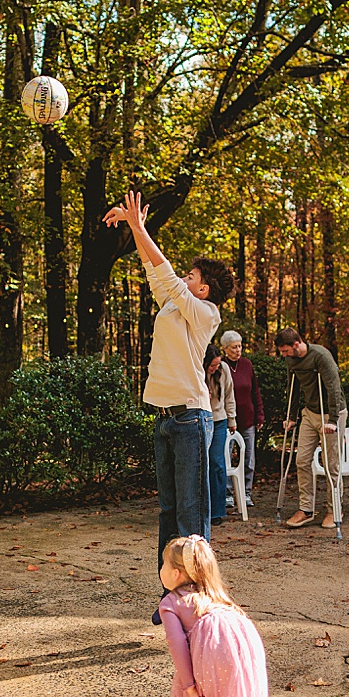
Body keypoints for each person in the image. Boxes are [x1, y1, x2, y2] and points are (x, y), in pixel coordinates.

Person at [102, 191, 235, 583]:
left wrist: (140, 226)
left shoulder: (205, 313)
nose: (183, 279)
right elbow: (156, 271)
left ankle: (200, 593)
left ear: (204, 289)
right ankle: (171, 590)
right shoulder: (175, 305)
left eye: (190, 277)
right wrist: (134, 228)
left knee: (191, 516)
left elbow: (169, 279)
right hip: (165, 419)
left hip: (192, 419)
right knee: (167, 512)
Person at [157, 535, 269, 697]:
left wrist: (189, 687)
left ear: (175, 574)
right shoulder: (217, 598)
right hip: (240, 653)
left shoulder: (171, 602)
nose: (161, 570)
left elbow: (177, 646)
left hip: (206, 659)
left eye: (163, 565)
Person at [275, 327, 346, 528]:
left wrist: (333, 420)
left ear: (296, 344)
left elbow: (334, 388)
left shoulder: (321, 356)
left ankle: (334, 509)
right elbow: (293, 387)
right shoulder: (291, 360)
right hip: (310, 412)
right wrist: (291, 416)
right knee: (302, 459)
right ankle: (306, 509)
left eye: (286, 351)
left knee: (331, 463)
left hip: (332, 413)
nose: (284, 355)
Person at [220, 331, 264, 505]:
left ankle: (246, 492)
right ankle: (228, 494)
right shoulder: (221, 366)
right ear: (225, 349)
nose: (238, 350)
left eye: (240, 346)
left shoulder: (247, 364)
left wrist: (260, 414)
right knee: (226, 458)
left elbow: (255, 391)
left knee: (249, 458)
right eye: (234, 347)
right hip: (226, 420)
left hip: (248, 419)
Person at [204, 344, 237, 527]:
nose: (215, 368)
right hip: (200, 419)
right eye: (212, 366)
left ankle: (217, 510)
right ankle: (202, 509)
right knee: (202, 464)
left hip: (219, 420)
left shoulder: (224, 369)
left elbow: (230, 395)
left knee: (217, 462)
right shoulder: (196, 370)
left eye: (217, 365)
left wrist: (232, 419)